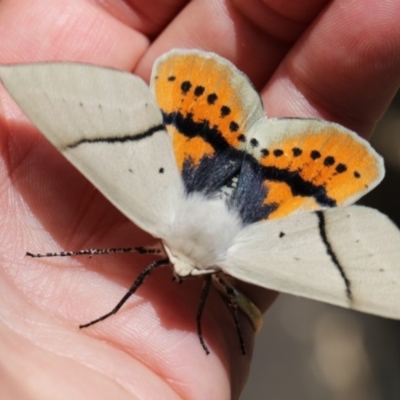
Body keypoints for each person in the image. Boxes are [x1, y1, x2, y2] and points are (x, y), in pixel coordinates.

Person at [0, 1, 399, 398]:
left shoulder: (156, 221)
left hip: (199, 141)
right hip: (276, 183)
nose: (179, 271)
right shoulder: (230, 260)